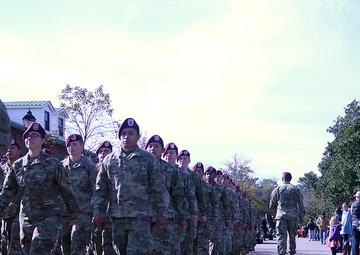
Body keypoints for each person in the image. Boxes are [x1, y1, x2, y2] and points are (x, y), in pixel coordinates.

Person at [92, 118, 170, 254]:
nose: (126, 137)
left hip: (141, 216)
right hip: (117, 216)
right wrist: (97, 210)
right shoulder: (109, 160)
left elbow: (158, 187)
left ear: (138, 137)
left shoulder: (148, 159)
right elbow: (101, 188)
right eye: (123, 133)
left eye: (131, 133)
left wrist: (161, 212)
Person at [0, 122, 79, 254]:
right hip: (26, 219)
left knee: (39, 250)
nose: (30, 138)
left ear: (43, 140)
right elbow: (8, 190)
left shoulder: (53, 163)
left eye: (35, 135)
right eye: (27, 136)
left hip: (48, 218)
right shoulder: (18, 165)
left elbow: (65, 188)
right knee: (27, 250)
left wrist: (74, 213)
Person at [145, 135, 186, 255]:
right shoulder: (137, 166)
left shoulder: (171, 170)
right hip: (141, 216)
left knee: (161, 250)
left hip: (164, 217)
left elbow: (178, 195)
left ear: (162, 150)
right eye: (150, 146)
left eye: (156, 146)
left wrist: (182, 217)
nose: (153, 149)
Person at [59, 134, 98, 255]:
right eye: (69, 145)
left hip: (83, 213)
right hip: (64, 213)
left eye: (75, 144)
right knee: (64, 248)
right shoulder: (60, 166)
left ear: (82, 146)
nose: (71, 147)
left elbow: (96, 191)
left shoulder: (89, 166)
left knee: (77, 246)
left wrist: (96, 212)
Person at [269, 171, 305, 255]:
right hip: (293, 216)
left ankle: (282, 252)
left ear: (282, 179)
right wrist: (301, 217)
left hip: (281, 216)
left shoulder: (277, 189)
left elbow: (272, 204)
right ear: (290, 179)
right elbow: (300, 204)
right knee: (292, 236)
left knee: (281, 236)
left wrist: (274, 215)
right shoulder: (295, 189)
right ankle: (292, 251)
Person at [91, 141, 116, 255]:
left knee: (108, 247)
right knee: (95, 246)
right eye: (100, 151)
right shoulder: (91, 170)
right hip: (94, 215)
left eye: (106, 151)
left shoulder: (115, 170)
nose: (103, 154)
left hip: (110, 215)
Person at [1, 140, 22, 255]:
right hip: (4, 212)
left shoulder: (23, 167)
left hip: (19, 211)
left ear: (19, 151)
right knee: (4, 243)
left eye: (13, 147)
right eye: (8, 147)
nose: (9, 149)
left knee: (15, 243)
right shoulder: (1, 169)